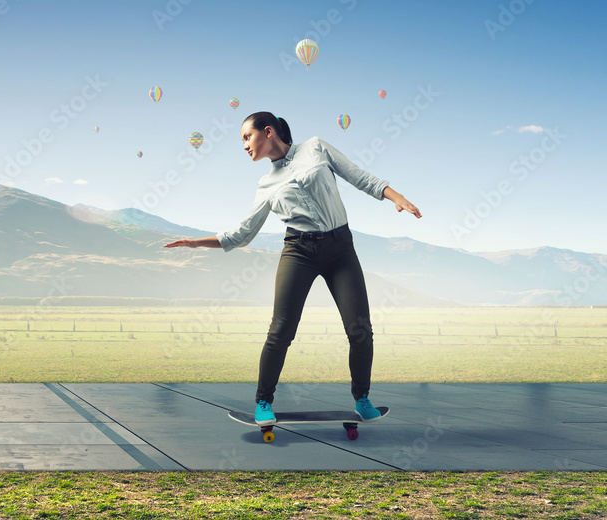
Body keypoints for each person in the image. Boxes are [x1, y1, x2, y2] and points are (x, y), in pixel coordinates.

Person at [164, 111, 421, 425]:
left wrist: (397, 197)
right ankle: (263, 402)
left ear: (268, 131)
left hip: (340, 249)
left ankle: (362, 399)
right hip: (299, 252)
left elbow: (359, 177)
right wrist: (195, 243)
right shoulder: (265, 184)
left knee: (360, 329)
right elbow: (242, 235)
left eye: (247, 137)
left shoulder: (315, 147)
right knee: (281, 330)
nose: (244, 145)